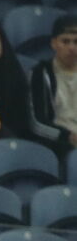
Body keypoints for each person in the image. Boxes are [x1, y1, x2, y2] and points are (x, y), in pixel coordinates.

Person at [28, 14, 77, 154]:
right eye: (65, 42)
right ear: (54, 43)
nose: (71, 48)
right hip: (58, 144)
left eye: (76, 42)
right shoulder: (40, 73)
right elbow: (36, 123)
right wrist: (67, 136)